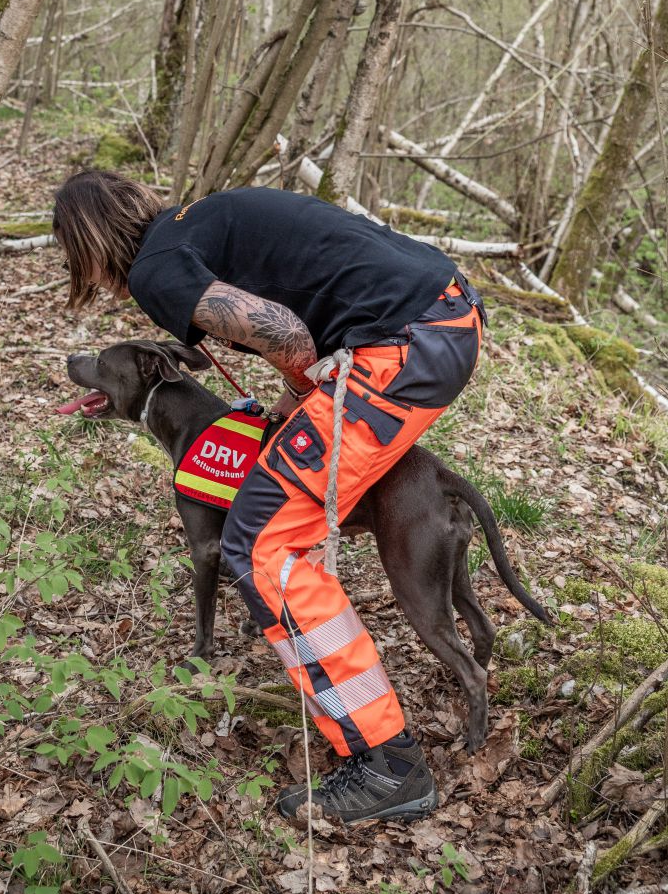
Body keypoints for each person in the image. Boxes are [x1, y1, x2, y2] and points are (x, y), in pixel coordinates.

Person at [52, 168, 486, 825]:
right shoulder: (190, 228)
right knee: (266, 523)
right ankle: (374, 742)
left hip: (406, 343)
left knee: (261, 541)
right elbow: (307, 317)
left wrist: (305, 386)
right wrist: (295, 402)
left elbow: (283, 329)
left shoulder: (155, 266)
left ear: (87, 245)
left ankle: (387, 764)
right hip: (438, 315)